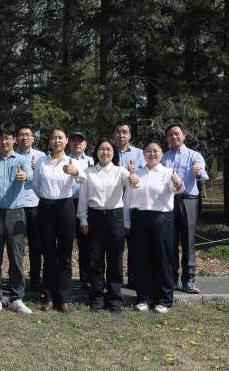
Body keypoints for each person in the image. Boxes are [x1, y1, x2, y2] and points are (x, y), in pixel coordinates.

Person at [77, 138, 138, 313]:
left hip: (115, 217)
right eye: (101, 149)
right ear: (96, 152)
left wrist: (134, 178)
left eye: (108, 149)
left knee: (115, 260)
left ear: (113, 153)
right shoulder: (88, 172)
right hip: (94, 217)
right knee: (95, 259)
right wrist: (83, 219)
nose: (105, 152)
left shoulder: (120, 171)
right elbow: (83, 197)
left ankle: (115, 299)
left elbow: (133, 183)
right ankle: (97, 297)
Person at [0, 122, 34, 317]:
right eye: (1, 138)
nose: (5, 141)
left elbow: (31, 177)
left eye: (9, 138)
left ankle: (17, 298)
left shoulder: (22, 160)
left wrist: (24, 176)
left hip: (16, 213)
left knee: (16, 257)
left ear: (14, 140)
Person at [34, 128, 86, 313]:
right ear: (49, 141)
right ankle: (48, 297)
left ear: (66, 141)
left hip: (65, 207)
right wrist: (47, 199)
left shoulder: (73, 161)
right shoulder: (42, 161)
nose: (57, 141)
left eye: (60, 138)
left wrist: (75, 172)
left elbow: (83, 180)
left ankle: (64, 298)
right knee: (48, 253)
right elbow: (36, 185)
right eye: (53, 138)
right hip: (46, 207)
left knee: (65, 254)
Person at [129, 141, 184, 313]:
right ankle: (144, 298)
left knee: (163, 259)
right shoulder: (137, 173)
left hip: (162, 219)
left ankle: (164, 299)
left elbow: (178, 189)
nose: (152, 154)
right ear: (143, 154)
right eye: (148, 151)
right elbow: (131, 197)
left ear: (161, 153)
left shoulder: (168, 172)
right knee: (142, 259)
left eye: (155, 151)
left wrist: (177, 183)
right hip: (140, 218)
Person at [162, 122, 209, 294]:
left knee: (188, 240)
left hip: (188, 199)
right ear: (167, 138)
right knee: (170, 240)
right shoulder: (163, 157)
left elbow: (204, 176)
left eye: (177, 133)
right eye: (170, 134)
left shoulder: (194, 155)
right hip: (168, 201)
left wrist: (198, 173)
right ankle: (172, 278)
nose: (174, 137)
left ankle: (188, 280)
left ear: (184, 136)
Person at [112, 121, 146, 289]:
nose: (121, 135)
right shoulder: (108, 151)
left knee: (135, 244)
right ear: (114, 135)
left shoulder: (140, 154)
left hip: (134, 203)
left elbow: (146, 175)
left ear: (130, 135)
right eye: (118, 132)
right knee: (115, 245)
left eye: (124, 132)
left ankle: (134, 279)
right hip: (113, 203)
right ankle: (115, 280)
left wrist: (134, 174)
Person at [15, 125, 46, 292]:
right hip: (16, 206)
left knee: (36, 245)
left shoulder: (41, 157)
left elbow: (46, 181)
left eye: (28, 134)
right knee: (16, 246)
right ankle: (16, 279)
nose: (25, 137)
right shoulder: (11, 156)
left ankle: (35, 278)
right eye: (21, 134)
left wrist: (35, 170)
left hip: (35, 205)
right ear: (16, 138)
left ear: (34, 138)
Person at [69, 132, 94, 291]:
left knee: (86, 243)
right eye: (74, 140)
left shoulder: (92, 161)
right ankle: (65, 279)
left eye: (80, 141)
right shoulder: (64, 159)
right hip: (68, 203)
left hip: (86, 204)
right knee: (65, 242)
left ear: (85, 144)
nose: (77, 143)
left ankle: (86, 279)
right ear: (69, 143)